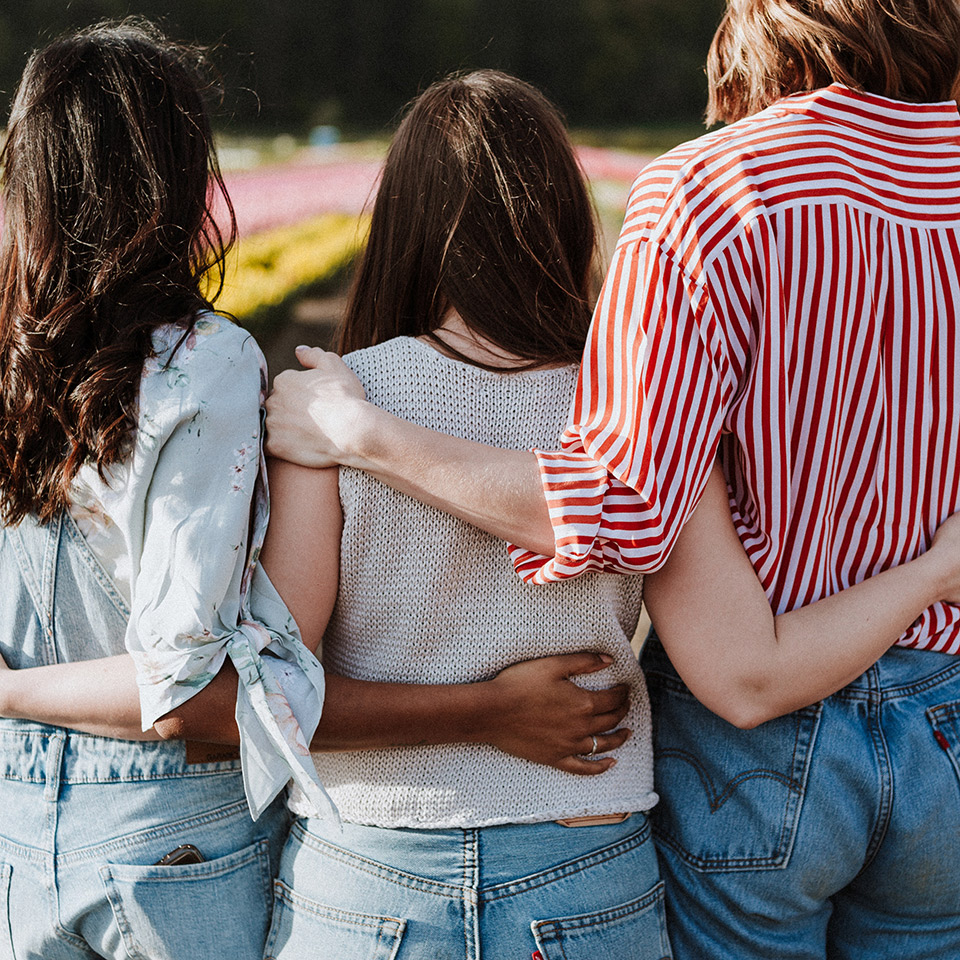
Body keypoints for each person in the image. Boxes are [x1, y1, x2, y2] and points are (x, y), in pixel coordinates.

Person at [265, 2, 960, 957]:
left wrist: (365, 435)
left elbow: (633, 502)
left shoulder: (717, 193)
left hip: (739, 758)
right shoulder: (588, 380)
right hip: (914, 728)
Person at [0, 25, 624, 960]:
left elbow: (276, 681)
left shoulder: (331, 400)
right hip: (581, 839)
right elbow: (217, 690)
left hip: (354, 861)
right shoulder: (635, 401)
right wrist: (494, 706)